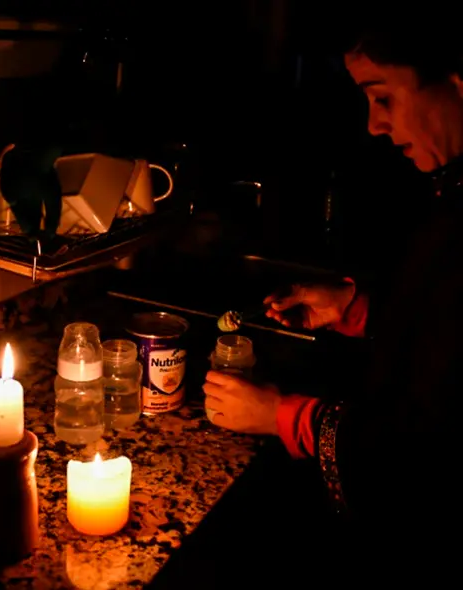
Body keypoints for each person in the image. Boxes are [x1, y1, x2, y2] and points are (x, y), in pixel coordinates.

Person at [203, 5, 462, 583]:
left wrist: (279, 415)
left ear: (456, 82)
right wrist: (355, 309)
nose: (373, 124)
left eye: (383, 97)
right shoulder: (453, 193)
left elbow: (422, 456)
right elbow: (444, 331)